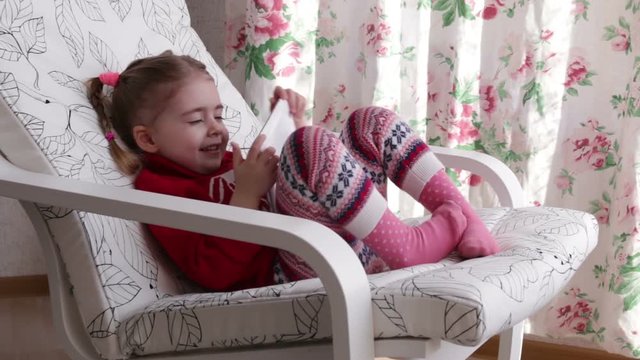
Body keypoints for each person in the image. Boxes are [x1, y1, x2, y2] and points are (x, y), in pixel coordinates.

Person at [87, 50, 499, 291]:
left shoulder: (228, 159)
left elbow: (310, 190)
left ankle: (464, 214)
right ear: (148, 140)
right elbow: (214, 273)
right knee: (308, 146)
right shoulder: (159, 192)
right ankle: (409, 248)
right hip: (294, 269)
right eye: (196, 121)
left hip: (352, 239)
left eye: (218, 114)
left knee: (368, 121)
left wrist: (292, 127)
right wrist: (246, 196)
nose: (216, 129)